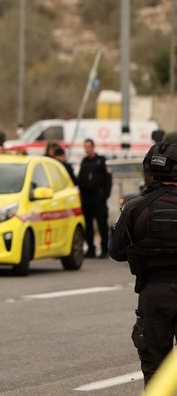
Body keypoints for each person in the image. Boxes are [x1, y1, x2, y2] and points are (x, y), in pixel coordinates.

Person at [109, 142, 177, 385]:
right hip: (154, 291)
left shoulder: (134, 208)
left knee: (156, 371)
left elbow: (115, 251)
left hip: (154, 294)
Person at [77, 138, 112, 258]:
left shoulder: (101, 161)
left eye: (89, 147)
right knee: (88, 224)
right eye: (85, 147)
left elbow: (108, 179)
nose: (87, 149)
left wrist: (105, 195)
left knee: (102, 224)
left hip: (99, 198)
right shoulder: (84, 162)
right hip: (87, 198)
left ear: (93, 147)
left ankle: (104, 249)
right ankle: (91, 248)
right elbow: (80, 179)